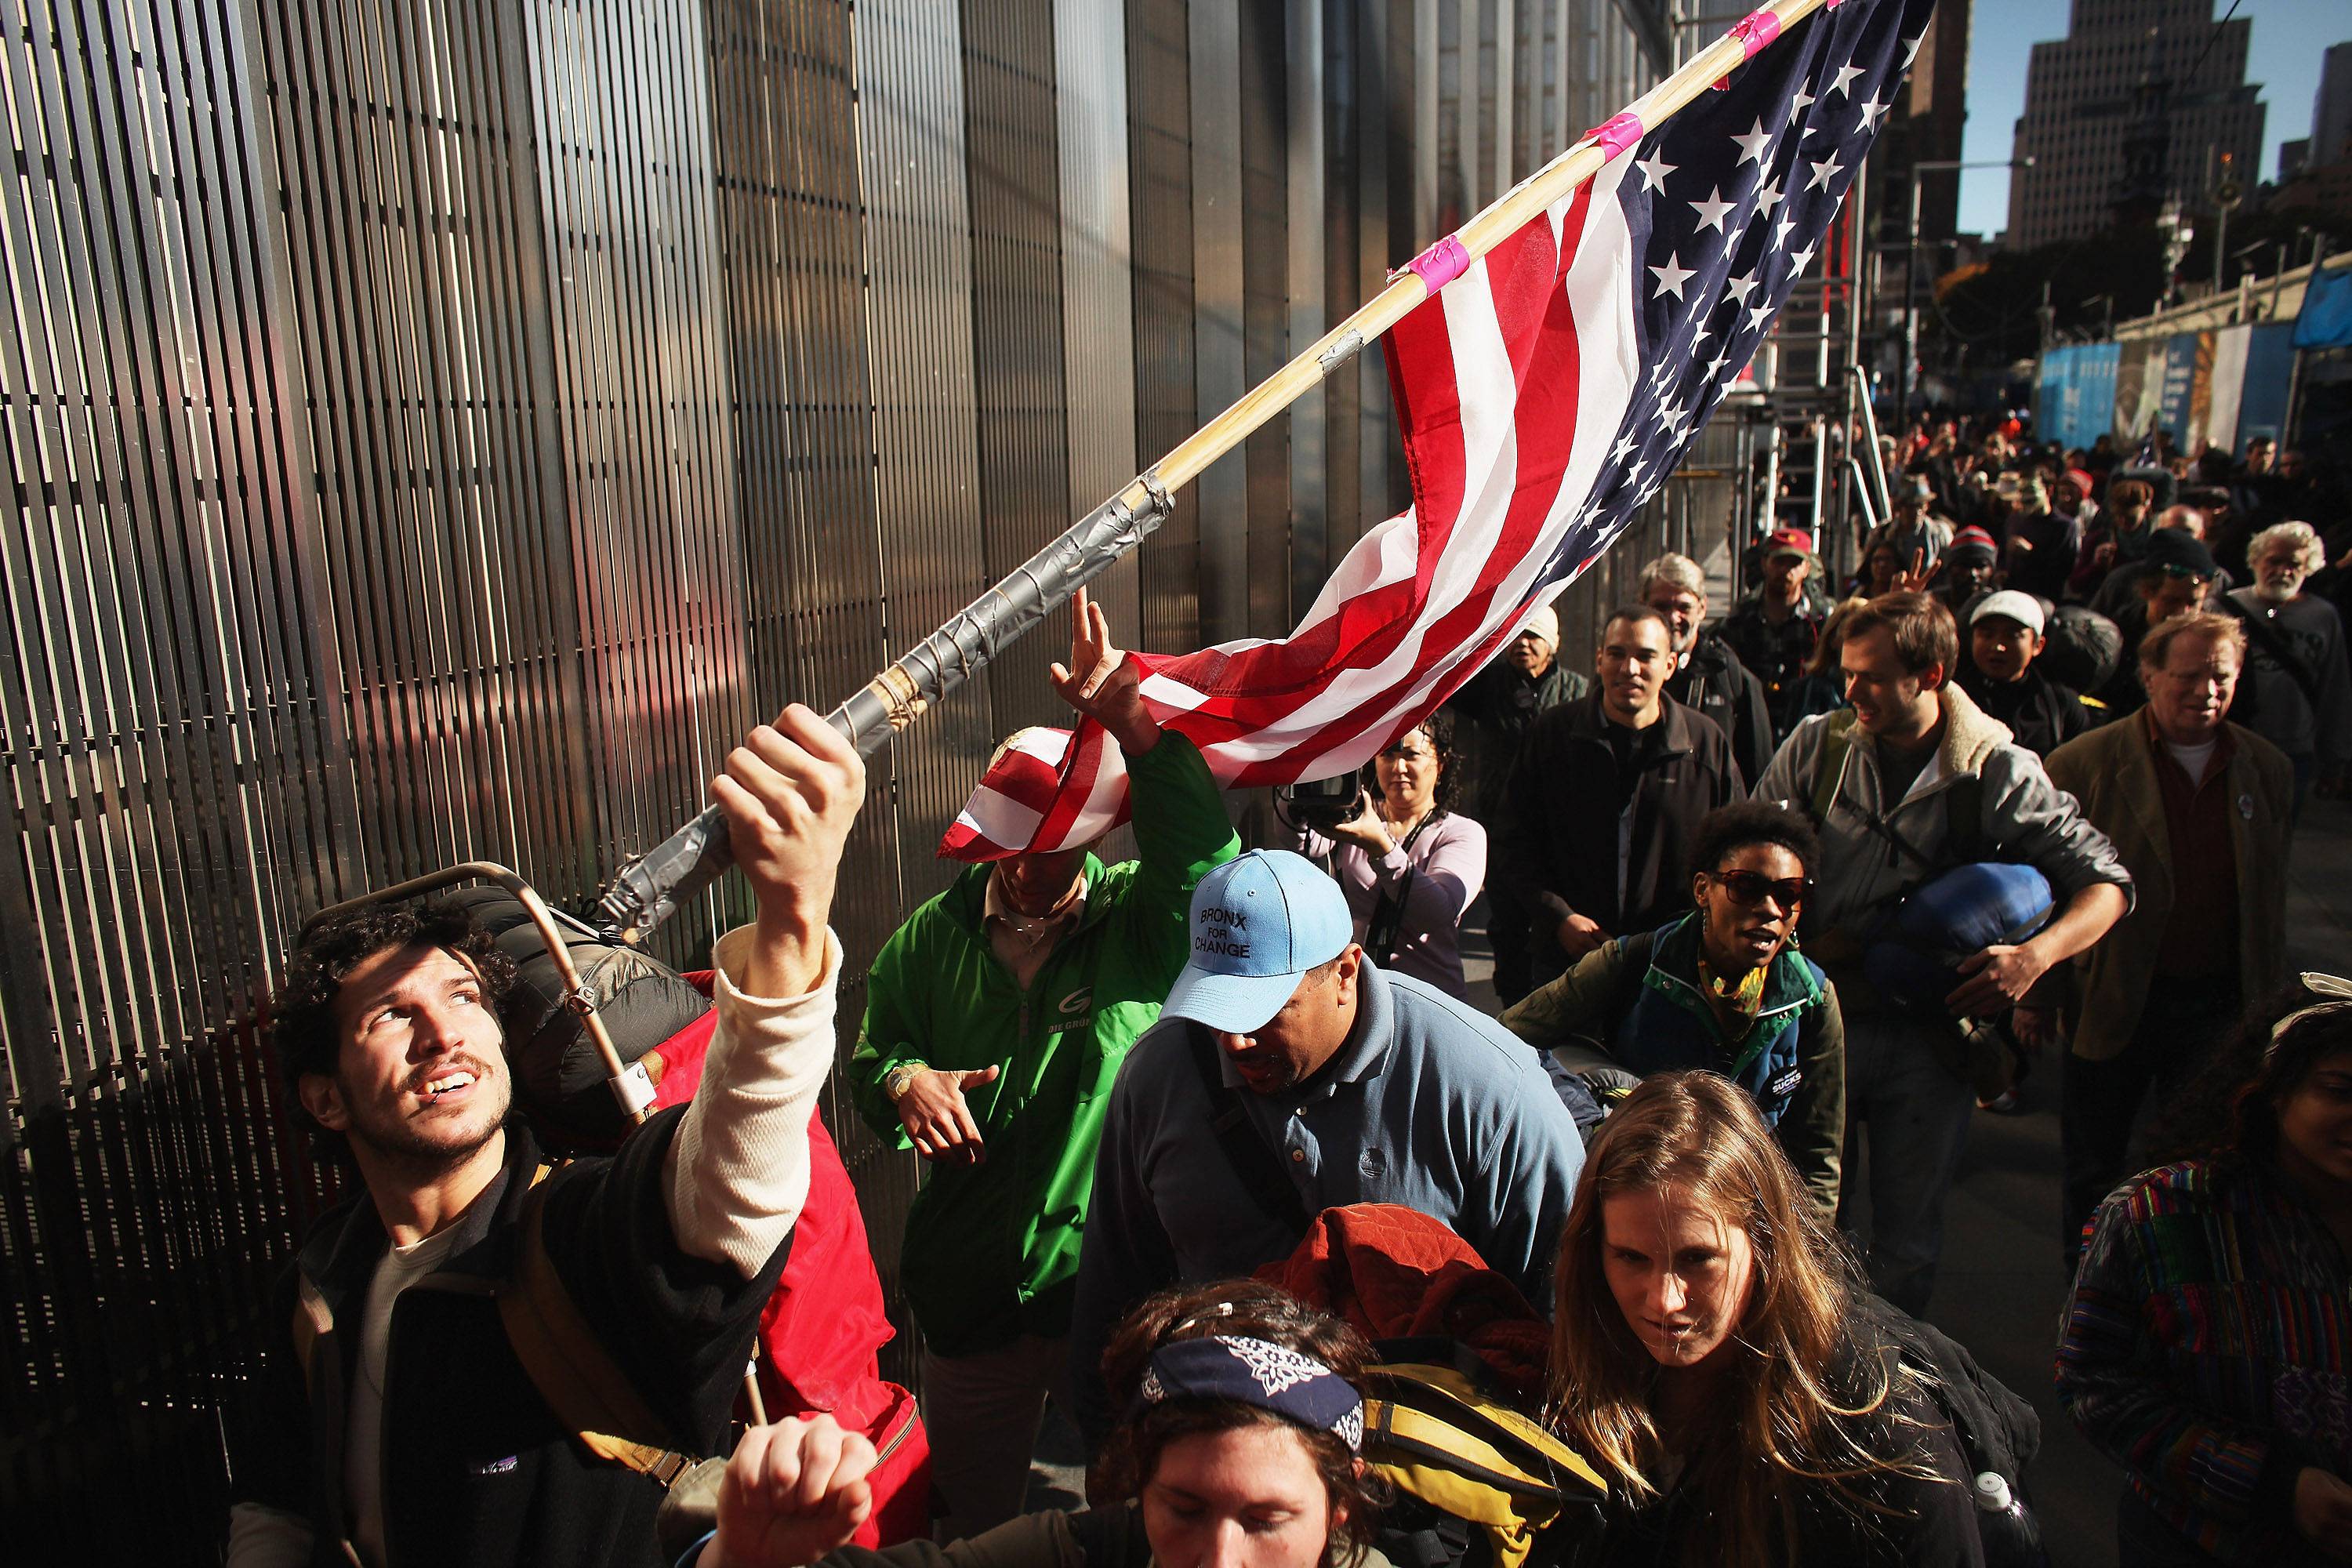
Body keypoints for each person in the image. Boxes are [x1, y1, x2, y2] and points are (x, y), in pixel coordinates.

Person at [224, 706, 869, 1568]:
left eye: (463, 998)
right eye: (392, 1014)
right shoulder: (320, 1279)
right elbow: (276, 1497)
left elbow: (724, 1195)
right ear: (326, 1099)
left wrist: (791, 924)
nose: (444, 1032)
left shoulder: (569, 1236)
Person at [848, 590, 1239, 1538]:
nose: (1027, 868)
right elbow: (870, 1056)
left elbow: (1207, 862)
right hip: (970, 1298)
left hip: (1106, 1290)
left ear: (1100, 832)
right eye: (1008, 846)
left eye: (1053, 846)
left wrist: (1132, 724)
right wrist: (903, 1080)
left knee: (1132, 1518)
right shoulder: (924, 944)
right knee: (971, 1524)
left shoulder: (1139, 922)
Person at [1067, 849, 1586, 1443]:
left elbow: (1564, 1316)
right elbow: (1114, 1293)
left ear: (1345, 973)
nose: (1233, 1041)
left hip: (1428, 1487)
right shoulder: (1158, 1075)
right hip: (1222, 1466)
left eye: (1264, 1010)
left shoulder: (1488, 1087)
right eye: (1214, 1008)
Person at [1755, 592, 2131, 1314]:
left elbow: (2107, 884)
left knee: (1905, 1247)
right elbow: (1751, 843)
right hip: (1814, 1024)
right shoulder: (1817, 745)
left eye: (1871, 675)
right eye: (1847, 672)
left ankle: (1893, 1400)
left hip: (1928, 1043)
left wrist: (2034, 959)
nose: (1850, 690)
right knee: (1796, 1230)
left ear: (1929, 675)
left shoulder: (1996, 769)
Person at [1546, 1073, 1984, 1568]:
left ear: (1765, 1245)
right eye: (1630, 1258)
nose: (1664, 1300)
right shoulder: (1582, 1364)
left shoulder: (1880, 1440)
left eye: (1697, 1259)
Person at [687, 1280, 1385, 1568]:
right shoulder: (1071, 1553)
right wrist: (740, 1556)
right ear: (1139, 1482)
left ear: (1343, 1505)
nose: (1219, 1560)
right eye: (1185, 1507)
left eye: (1266, 1520)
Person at [2057, 978, 2352, 1568]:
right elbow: (2096, 1386)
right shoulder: (2163, 1217)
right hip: (2196, 1544)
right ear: (2272, 1089)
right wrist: (2276, 1486)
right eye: (2340, 1090)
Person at [2040, 612, 2293, 1261]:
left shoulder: (2265, 769)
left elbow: (2267, 902)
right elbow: (2048, 894)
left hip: (2218, 1006)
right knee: (2095, 1169)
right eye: (2187, 677)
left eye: (2220, 677)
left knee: (2199, 1167)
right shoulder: (2081, 764)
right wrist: (2039, 995)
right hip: (2117, 998)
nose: (2204, 691)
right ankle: (2089, 1296)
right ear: (2149, 676)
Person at [1500, 803, 1845, 1221]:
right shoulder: (1633, 962)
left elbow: (1818, 1153)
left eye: (1790, 893)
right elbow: (1503, 1041)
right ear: (1703, 890)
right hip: (1630, 1205)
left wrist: (1807, 1250)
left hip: (1738, 1219)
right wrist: (1582, 1115)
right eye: (1746, 887)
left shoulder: (1812, 998)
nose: (1771, 909)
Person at [1491, 605, 1745, 993]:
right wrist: (1559, 917)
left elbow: (1733, 855)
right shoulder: (1554, 736)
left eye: (1645, 656)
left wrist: (1692, 931)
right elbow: (1514, 841)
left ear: (1671, 665)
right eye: (1617, 654)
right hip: (1567, 965)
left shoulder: (1705, 746)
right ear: (1599, 659)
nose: (1629, 669)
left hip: (1672, 970)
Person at [1444, 603, 1590, 1004]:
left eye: (1534, 636)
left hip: (1557, 829)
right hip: (1502, 827)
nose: (1524, 644)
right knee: (1506, 927)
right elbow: (1448, 679)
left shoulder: (1579, 691)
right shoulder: (1491, 686)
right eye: (1518, 634)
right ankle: (1513, 1016)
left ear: (1553, 645)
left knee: (1550, 927)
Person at [1295, 713, 1486, 999]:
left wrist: (1379, 846)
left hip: (1430, 996)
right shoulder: (1358, 813)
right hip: (1357, 993)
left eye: (1411, 755)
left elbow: (1436, 913)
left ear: (1441, 762)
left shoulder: (1462, 832)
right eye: (1387, 755)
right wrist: (1297, 787)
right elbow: (1302, 844)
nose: (1398, 767)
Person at [2223, 520, 2352, 815]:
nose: (2282, 571)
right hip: (2233, 744)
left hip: (2294, 749)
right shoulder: (2224, 608)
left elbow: (2335, 688)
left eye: (2293, 564)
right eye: (2274, 561)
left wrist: (2335, 760)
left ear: (2310, 568)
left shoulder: (2322, 616)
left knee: (2276, 838)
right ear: (2255, 561)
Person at [1642, 552, 1776, 787]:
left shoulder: (1730, 676)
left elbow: (1757, 769)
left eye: (1684, 607)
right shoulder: (1624, 671)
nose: (1673, 617)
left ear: (1702, 608)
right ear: (1643, 605)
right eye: (1661, 606)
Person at [2092, 528, 2219, 717]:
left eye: (2192, 603)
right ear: (2147, 592)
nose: (2182, 613)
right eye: (2171, 601)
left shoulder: (2213, 643)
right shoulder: (2117, 637)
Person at [1956, 590, 2095, 759]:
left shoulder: (2061, 704)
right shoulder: (1951, 694)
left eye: (2012, 636)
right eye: (1987, 635)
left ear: (2038, 645)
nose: (1998, 646)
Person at [1720, 529, 1828, 742]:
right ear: (1764, 564)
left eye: (1794, 564)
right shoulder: (1740, 619)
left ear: (1806, 569)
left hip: (1804, 726)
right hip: (1752, 724)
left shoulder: (1821, 620)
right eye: (1779, 562)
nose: (1785, 571)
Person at [2067, 477, 2154, 601]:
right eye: (2118, 516)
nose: (2123, 522)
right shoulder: (2100, 538)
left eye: (2130, 518)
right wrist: (2095, 565)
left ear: (2145, 507)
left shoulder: (2155, 541)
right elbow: (2075, 584)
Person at [2000, 477, 2080, 604]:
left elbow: (2064, 569)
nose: (2025, 497)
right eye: (2021, 491)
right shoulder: (2014, 520)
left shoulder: (2064, 526)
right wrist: (2002, 572)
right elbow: (2002, 555)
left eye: (2030, 490)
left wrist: (2031, 553)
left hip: (2044, 599)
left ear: (2048, 490)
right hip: (2013, 597)